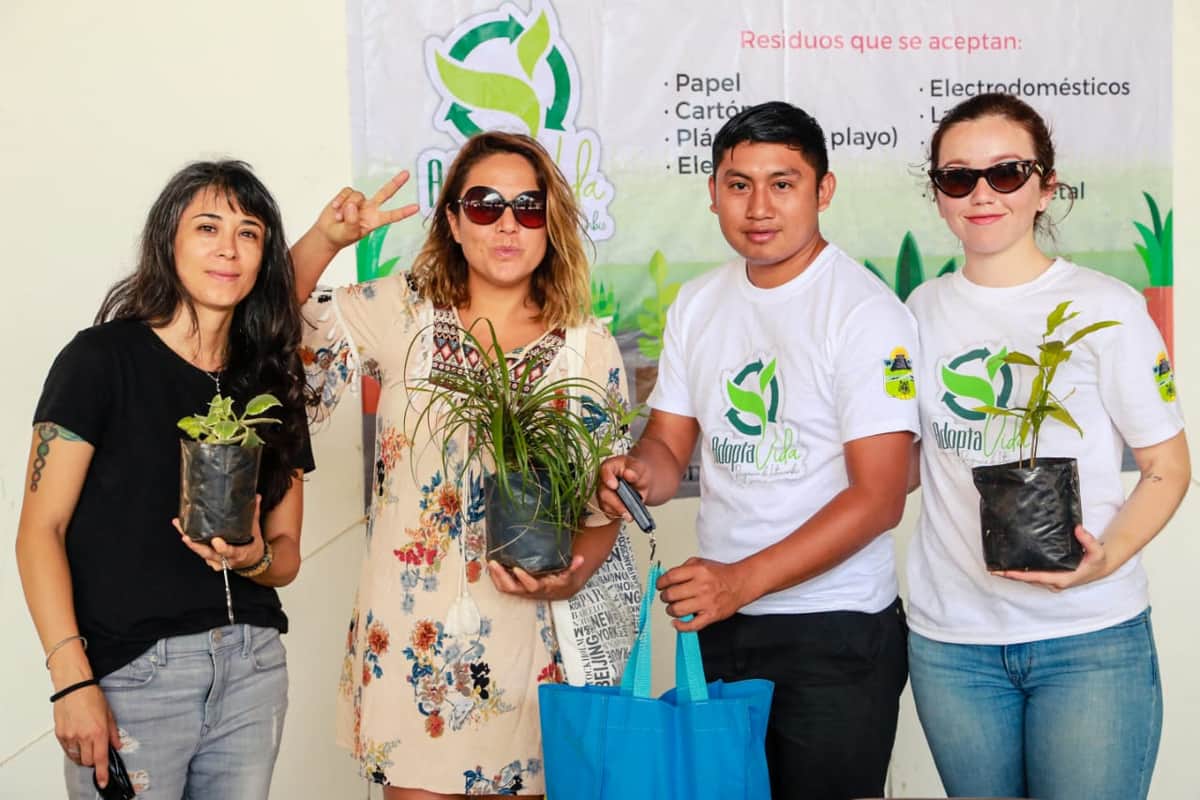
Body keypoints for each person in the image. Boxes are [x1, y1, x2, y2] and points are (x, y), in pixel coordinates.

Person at [293, 130, 635, 798]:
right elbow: (271, 324)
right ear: (452, 220)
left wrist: (574, 575)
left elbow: (604, 511)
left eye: (528, 207)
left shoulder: (587, 350)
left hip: (536, 654)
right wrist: (324, 241)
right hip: (413, 650)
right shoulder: (403, 312)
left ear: (550, 223)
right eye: (484, 205)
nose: (508, 224)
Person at [598, 101, 918, 800]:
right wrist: (634, 475)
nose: (759, 206)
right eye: (739, 184)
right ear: (713, 192)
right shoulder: (697, 303)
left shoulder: (864, 313)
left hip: (836, 630)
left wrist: (740, 580)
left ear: (822, 191)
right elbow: (668, 441)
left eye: (784, 182)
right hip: (721, 625)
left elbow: (880, 497)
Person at [905, 92, 1190, 800]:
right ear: (939, 195)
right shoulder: (915, 313)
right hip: (952, 645)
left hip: (1091, 640)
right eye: (957, 177)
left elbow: (1167, 467)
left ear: (1044, 187)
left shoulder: (1107, 308)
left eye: (1006, 173)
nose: (981, 193)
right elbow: (905, 462)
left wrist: (1103, 562)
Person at [15, 161, 315, 798]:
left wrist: (257, 558)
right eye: (208, 226)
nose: (228, 249)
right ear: (167, 241)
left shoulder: (269, 382)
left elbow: (286, 555)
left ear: (265, 256)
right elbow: (40, 529)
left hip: (253, 667)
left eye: (249, 232)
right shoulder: (99, 360)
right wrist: (72, 680)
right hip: (132, 673)